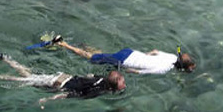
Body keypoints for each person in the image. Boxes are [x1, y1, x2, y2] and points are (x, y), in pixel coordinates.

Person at [0, 54, 126, 108]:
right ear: (114, 85)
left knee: (30, 76)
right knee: (27, 80)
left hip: (63, 77)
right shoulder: (98, 90)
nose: (125, 84)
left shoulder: (100, 79)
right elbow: (71, 95)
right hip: (58, 84)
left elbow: (88, 75)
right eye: (122, 83)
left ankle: (7, 60)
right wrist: (49, 99)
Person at [52, 35, 196, 74]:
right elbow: (138, 72)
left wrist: (143, 56)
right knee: (90, 58)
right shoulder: (164, 69)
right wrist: (126, 71)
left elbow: (154, 51)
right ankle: (62, 44)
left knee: (103, 55)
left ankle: (83, 45)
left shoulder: (172, 56)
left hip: (131, 52)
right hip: (125, 60)